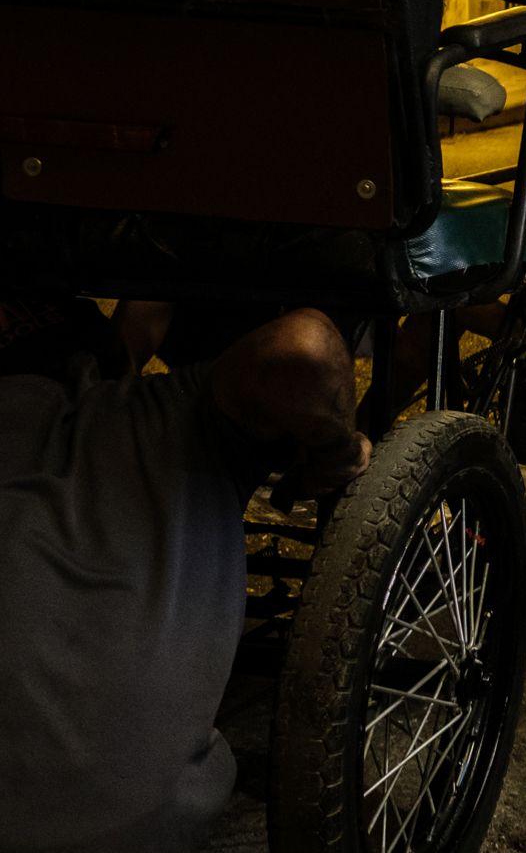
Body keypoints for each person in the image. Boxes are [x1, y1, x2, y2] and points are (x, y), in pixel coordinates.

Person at [1, 300, 367, 853]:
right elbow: (306, 349)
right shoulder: (152, 410)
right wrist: (339, 451)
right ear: (94, 365)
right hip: (139, 825)